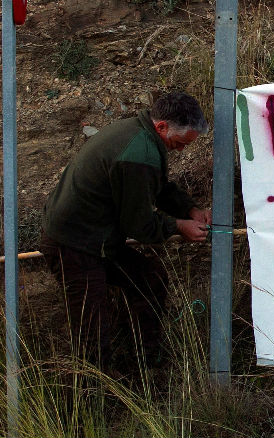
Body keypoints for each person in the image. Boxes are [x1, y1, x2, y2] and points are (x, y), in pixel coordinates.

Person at [40, 91, 211, 369]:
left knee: (150, 278)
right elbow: (140, 226)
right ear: (162, 127)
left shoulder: (140, 134)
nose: (180, 151)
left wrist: (190, 209)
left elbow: (157, 187)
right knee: (91, 333)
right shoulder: (138, 153)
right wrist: (179, 227)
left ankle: (145, 362)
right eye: (179, 144)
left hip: (99, 237)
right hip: (74, 245)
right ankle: (91, 400)